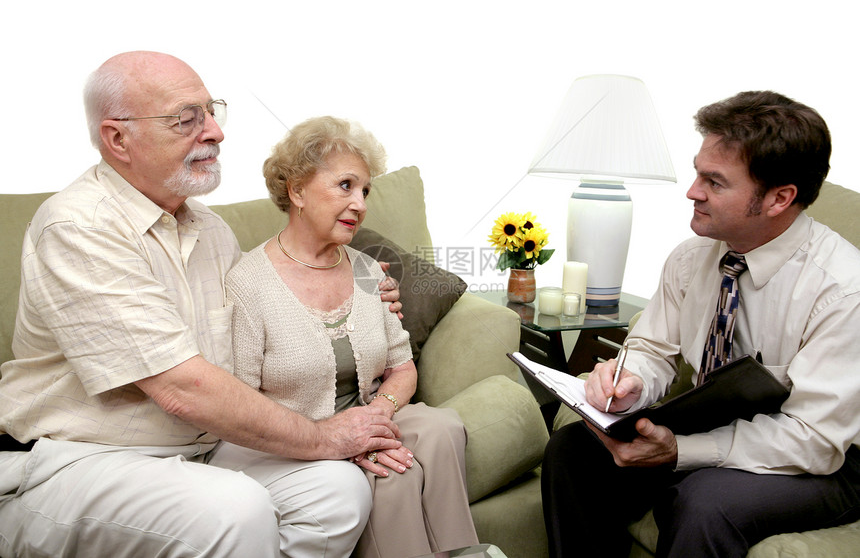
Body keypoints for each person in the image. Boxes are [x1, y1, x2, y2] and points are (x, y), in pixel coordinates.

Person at [0, 51, 405, 558]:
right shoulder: (79, 225)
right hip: (78, 459)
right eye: (187, 118)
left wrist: (361, 295)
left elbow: (272, 314)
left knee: (337, 492)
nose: (215, 131)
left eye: (211, 112)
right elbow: (180, 387)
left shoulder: (209, 230)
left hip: (199, 450)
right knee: (237, 509)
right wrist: (325, 437)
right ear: (117, 138)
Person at [542, 90, 860, 557]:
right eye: (697, 172)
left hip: (824, 460)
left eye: (714, 181)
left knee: (703, 503)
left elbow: (814, 440)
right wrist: (629, 379)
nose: (692, 191)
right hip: (717, 423)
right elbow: (652, 351)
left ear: (779, 198)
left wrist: (679, 451)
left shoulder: (843, 292)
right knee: (573, 452)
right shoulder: (692, 260)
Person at [225, 115, 480, 558]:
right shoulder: (248, 284)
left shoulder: (366, 270)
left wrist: (375, 417)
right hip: (290, 437)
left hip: (367, 414)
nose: (360, 203)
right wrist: (334, 436)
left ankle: (463, 553)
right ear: (297, 190)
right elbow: (239, 402)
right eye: (345, 185)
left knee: (442, 426)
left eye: (365, 190)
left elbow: (402, 366)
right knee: (394, 472)